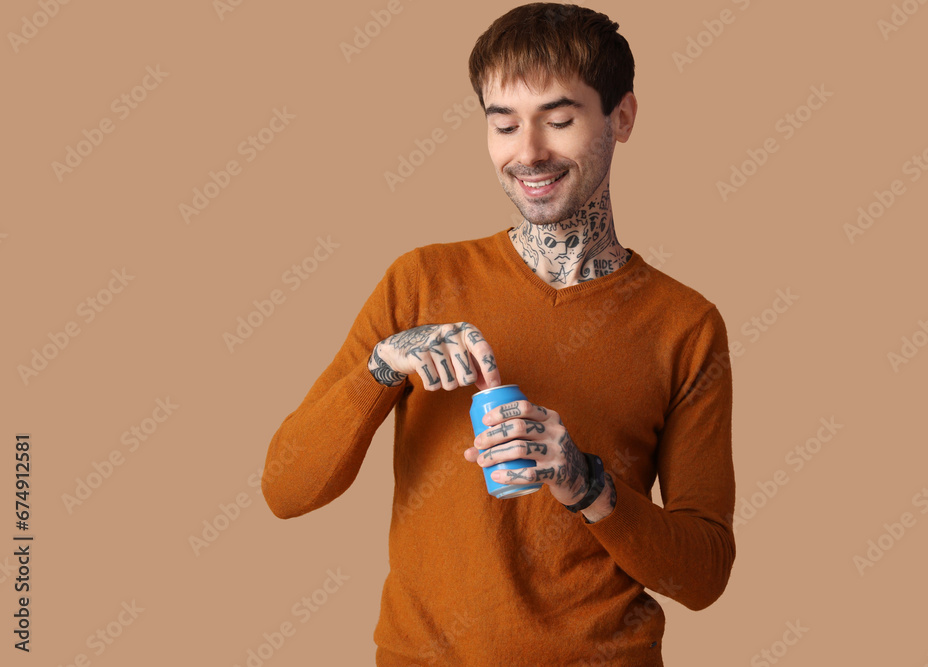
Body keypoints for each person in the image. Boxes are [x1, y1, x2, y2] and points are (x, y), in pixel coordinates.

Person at [262, 3, 736, 664]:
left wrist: (588, 485)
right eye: (503, 123)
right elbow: (285, 490)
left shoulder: (686, 325)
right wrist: (382, 366)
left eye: (560, 119)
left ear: (621, 117)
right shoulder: (419, 282)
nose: (529, 151)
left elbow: (705, 573)